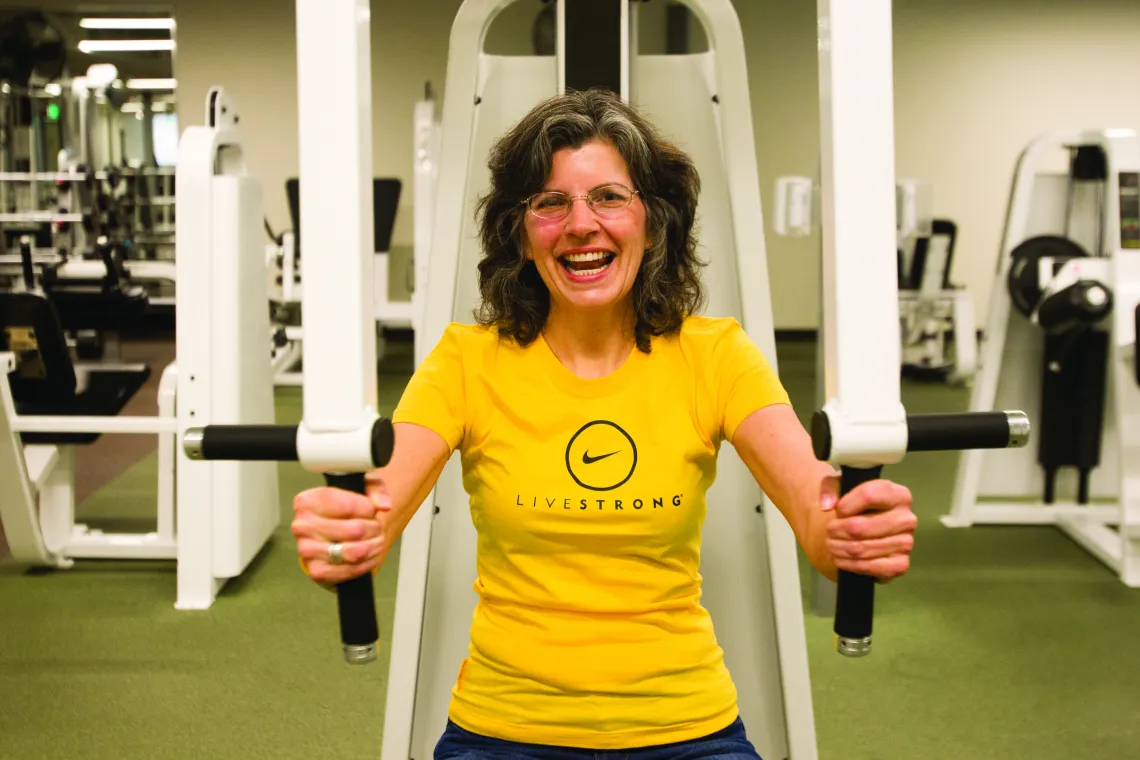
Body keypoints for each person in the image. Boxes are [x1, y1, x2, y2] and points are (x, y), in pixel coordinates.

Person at [292, 88, 917, 759]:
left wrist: (854, 534)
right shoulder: (466, 362)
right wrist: (343, 534)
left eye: (609, 198)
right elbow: (376, 509)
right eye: (551, 202)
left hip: (686, 728)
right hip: (504, 730)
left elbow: (817, 514)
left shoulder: (717, 355)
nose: (581, 224)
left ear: (653, 222)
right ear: (520, 233)